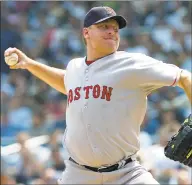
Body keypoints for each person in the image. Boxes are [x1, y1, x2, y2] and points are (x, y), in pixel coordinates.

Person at [4, 6, 191, 184]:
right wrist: (28, 63)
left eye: (115, 28)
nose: (112, 31)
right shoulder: (75, 67)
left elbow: (185, 77)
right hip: (78, 175)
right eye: (104, 27)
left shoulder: (132, 64)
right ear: (86, 33)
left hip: (125, 174)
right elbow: (67, 82)